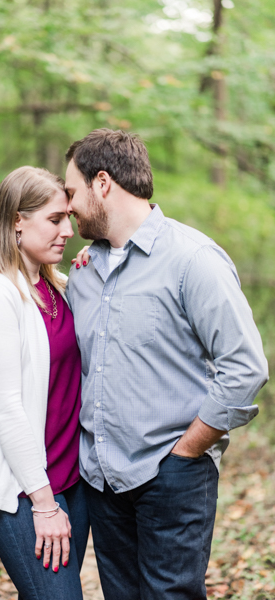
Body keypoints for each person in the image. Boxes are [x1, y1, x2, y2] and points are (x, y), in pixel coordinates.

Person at [64, 129, 269, 600]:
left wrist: (186, 453)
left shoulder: (193, 259)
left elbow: (245, 366)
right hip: (102, 480)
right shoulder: (85, 273)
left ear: (102, 183)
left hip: (173, 475)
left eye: (72, 192)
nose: (69, 206)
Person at [0, 166, 89, 599]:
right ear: (17, 220)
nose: (67, 230)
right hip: (25, 491)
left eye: (67, 217)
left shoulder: (57, 287)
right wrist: (44, 504)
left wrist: (94, 273)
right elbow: (6, 408)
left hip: (71, 479)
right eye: (54, 220)